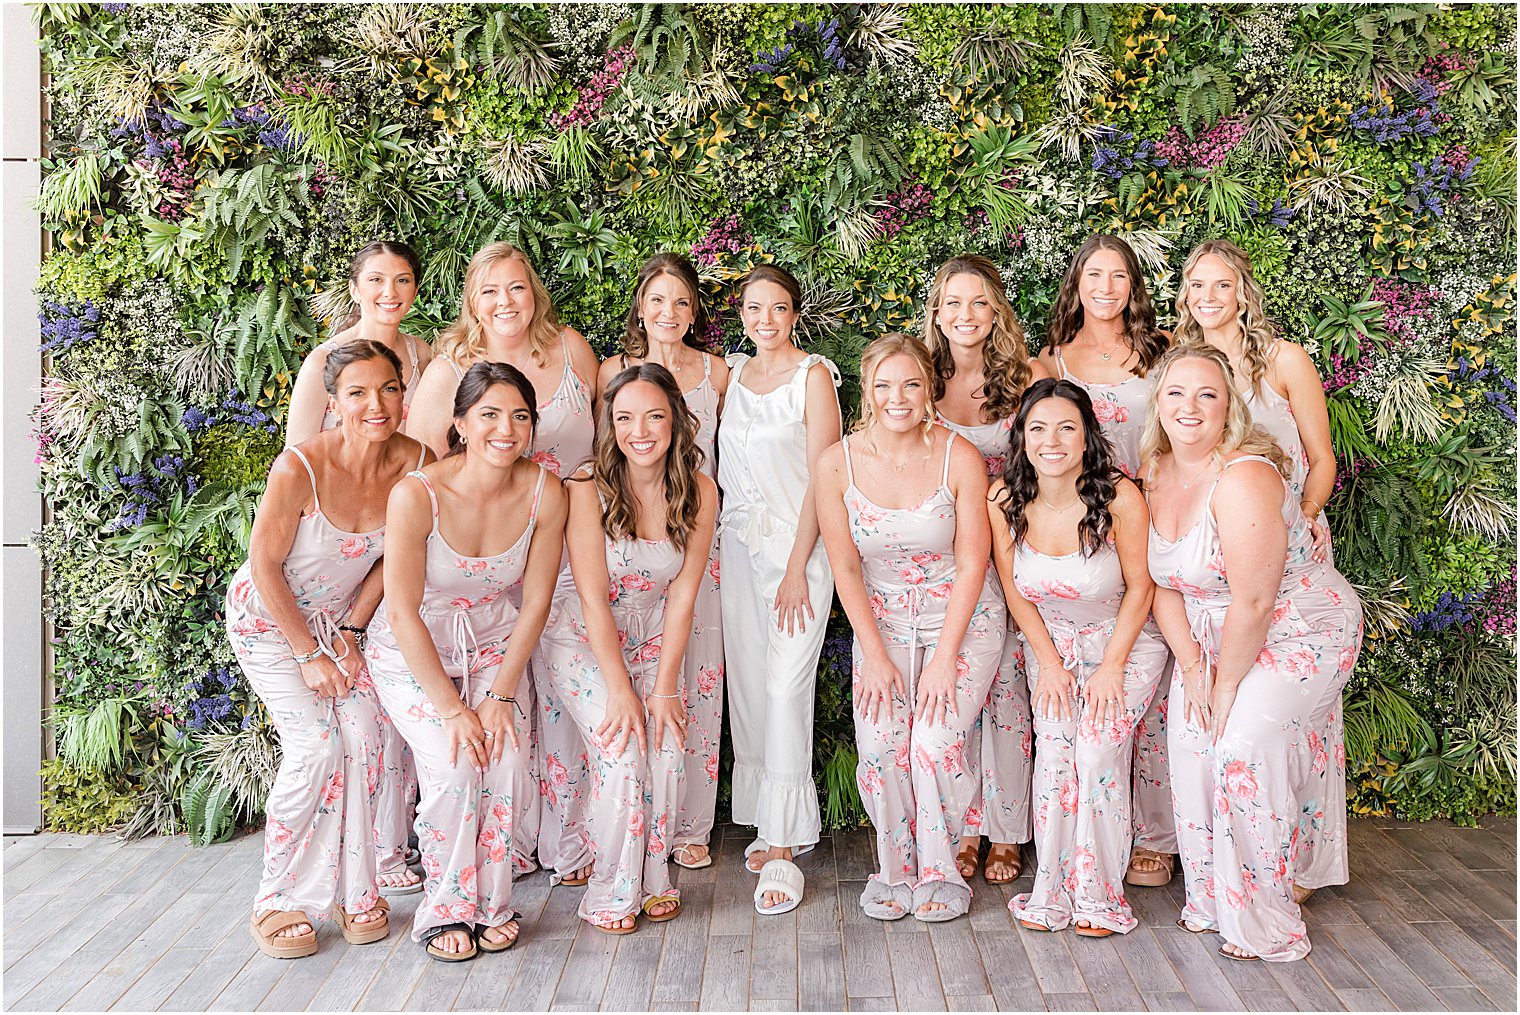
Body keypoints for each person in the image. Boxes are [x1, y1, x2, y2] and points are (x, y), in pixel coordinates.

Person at [1140, 343, 1362, 962]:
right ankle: (1213, 896)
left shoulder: (1243, 477)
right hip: (1213, 631)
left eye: (1207, 394)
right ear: (1157, 404)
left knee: (1238, 743)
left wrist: (1225, 686)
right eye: (1176, 393)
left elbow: (1256, 600)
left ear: (1229, 407)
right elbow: (1161, 584)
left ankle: (1263, 915)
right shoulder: (1156, 472)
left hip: (1299, 625)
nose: (1190, 407)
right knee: (1189, 738)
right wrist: (1191, 667)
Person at [229, 341, 430, 958]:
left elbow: (394, 559)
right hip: (271, 624)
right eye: (358, 393)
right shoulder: (299, 468)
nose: (377, 405)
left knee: (367, 737)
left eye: (389, 389)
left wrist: (348, 635)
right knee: (316, 746)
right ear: (334, 403)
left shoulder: (417, 461)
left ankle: (354, 889)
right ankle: (280, 898)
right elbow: (263, 564)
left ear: (404, 394)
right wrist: (308, 653)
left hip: (342, 628)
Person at [408, 242, 599, 884]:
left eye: (516, 288)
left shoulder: (570, 349)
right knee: (515, 701)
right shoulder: (449, 369)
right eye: (489, 291)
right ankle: (509, 845)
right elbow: (426, 470)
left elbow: (609, 437)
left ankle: (571, 840)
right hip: (493, 561)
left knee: (569, 700)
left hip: (580, 543)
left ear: (534, 292)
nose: (504, 303)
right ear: (471, 300)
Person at [365, 362, 568, 962]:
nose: (506, 429)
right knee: (456, 764)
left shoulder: (544, 491)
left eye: (520, 416)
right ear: (459, 423)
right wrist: (453, 709)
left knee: (503, 758)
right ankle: (446, 907)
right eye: (489, 414)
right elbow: (400, 611)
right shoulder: (417, 494)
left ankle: (493, 902)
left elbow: (536, 602)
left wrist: (501, 695)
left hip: (495, 648)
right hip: (413, 650)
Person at [815, 334, 1004, 923]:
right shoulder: (836, 463)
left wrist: (946, 655)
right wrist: (872, 653)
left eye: (912, 384)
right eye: (883, 385)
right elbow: (845, 563)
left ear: (929, 389)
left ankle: (942, 872)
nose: (898, 397)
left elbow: (975, 561)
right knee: (878, 745)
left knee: (934, 742)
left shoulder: (959, 456)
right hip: (884, 621)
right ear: (867, 393)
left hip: (962, 618)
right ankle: (895, 868)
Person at [1174, 238, 1341, 897]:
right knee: (1225, 697)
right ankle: (1226, 847)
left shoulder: (1283, 360)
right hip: (1213, 553)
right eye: (1196, 286)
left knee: (1288, 709)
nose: (1207, 298)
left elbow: (1322, 456)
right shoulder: (1181, 361)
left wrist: (1303, 511)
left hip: (1290, 542)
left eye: (1220, 285)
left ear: (1242, 292)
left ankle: (1296, 862)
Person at [537, 364, 719, 933]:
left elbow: (684, 597)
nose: (640, 430)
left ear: (676, 422)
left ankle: (651, 875)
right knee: (623, 748)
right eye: (624, 418)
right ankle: (610, 890)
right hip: (583, 637)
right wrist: (622, 692)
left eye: (654, 416)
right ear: (609, 426)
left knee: (665, 746)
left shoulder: (700, 490)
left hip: (654, 634)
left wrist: (663, 689)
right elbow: (591, 598)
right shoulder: (586, 488)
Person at [991, 380, 1168, 937]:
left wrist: (1113, 665)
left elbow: (1141, 588)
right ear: (1021, 437)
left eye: (1067, 427)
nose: (1052, 440)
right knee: (1055, 758)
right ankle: (1053, 890)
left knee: (1094, 754)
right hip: (1054, 649)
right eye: (1038, 428)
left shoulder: (1119, 497)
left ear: (1087, 434)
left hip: (1126, 643)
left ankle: (1098, 895)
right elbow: (1013, 588)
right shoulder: (1003, 499)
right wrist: (1046, 661)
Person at [1038, 234, 1176, 889]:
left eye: (1119, 275)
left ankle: (1157, 836)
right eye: (1095, 273)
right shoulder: (1055, 359)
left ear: (1133, 286)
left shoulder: (1161, 352)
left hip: (1155, 513)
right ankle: (1081, 845)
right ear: (1077, 282)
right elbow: (1042, 445)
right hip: (1087, 530)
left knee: (1152, 697)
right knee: (1086, 708)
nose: (1106, 286)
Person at [597, 253, 730, 872]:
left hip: (691, 534)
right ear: (640, 307)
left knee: (695, 683)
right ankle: (613, 826)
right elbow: (609, 452)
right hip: (625, 546)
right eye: (656, 299)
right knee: (616, 690)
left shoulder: (717, 371)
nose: (668, 312)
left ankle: (689, 823)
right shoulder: (612, 370)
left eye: (680, 300)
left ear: (694, 309)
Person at [923, 254, 1048, 886]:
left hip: (1016, 553)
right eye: (953, 303)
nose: (965, 315)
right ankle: (963, 824)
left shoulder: (1027, 377)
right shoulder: (919, 379)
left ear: (995, 308)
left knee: (1007, 694)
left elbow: (1055, 457)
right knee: (959, 694)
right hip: (947, 560)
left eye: (978, 302)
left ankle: (1007, 831)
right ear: (936, 312)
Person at [719, 266, 842, 912]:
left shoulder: (813, 377)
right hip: (738, 552)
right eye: (754, 308)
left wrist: (798, 565)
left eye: (779, 308)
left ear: (796, 314)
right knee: (750, 692)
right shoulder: (734, 375)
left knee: (785, 686)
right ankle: (770, 824)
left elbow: (827, 479)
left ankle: (788, 847)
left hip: (798, 556)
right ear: (741, 313)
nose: (765, 320)